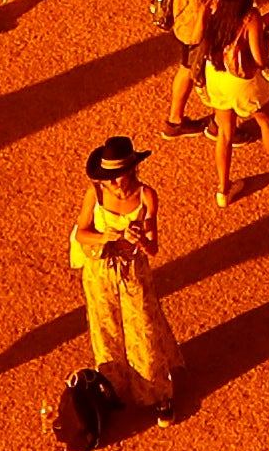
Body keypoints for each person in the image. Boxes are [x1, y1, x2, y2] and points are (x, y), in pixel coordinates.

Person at [70, 137, 185, 423]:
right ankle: (113, 388)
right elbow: (81, 233)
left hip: (134, 272)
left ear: (133, 169)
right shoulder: (95, 193)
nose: (114, 184)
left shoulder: (147, 196)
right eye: (108, 178)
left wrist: (140, 241)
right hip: (99, 272)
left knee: (143, 330)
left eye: (118, 176)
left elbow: (154, 248)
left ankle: (158, 395)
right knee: (106, 329)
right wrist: (108, 237)